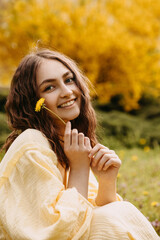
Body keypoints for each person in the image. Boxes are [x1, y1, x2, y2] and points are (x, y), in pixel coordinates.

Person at [0, 49, 159, 240]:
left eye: (69, 80)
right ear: (33, 101)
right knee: (113, 217)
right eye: (49, 88)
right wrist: (79, 168)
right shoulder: (31, 145)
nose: (67, 92)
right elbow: (59, 233)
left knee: (118, 212)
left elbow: (89, 216)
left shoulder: (67, 143)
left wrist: (107, 182)